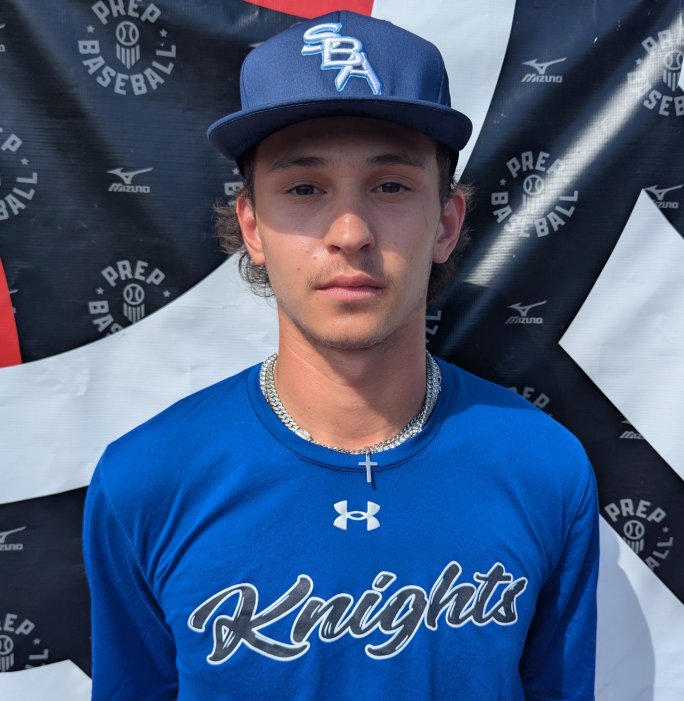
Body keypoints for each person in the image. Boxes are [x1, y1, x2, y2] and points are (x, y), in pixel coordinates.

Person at [83, 11, 599, 700]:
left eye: (390, 185)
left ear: (446, 224)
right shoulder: (145, 481)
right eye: (304, 188)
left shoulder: (544, 468)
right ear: (251, 225)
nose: (350, 232)